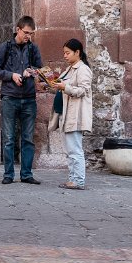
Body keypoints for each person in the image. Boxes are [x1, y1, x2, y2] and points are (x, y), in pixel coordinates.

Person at [0, 16, 43, 185]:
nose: (28, 36)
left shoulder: (33, 48)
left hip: (28, 98)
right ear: (18, 29)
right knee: (9, 138)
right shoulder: (4, 47)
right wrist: (11, 75)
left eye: (31, 33)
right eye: (26, 33)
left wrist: (31, 71)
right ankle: (8, 174)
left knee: (28, 138)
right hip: (10, 98)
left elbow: (40, 69)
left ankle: (26, 174)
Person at [48, 39, 93, 190]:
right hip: (66, 114)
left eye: (68, 53)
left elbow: (83, 90)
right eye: (64, 53)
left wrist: (65, 87)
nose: (65, 56)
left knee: (75, 149)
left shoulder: (83, 69)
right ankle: (73, 178)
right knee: (69, 150)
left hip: (75, 115)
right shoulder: (70, 69)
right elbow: (62, 84)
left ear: (77, 52)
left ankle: (79, 180)